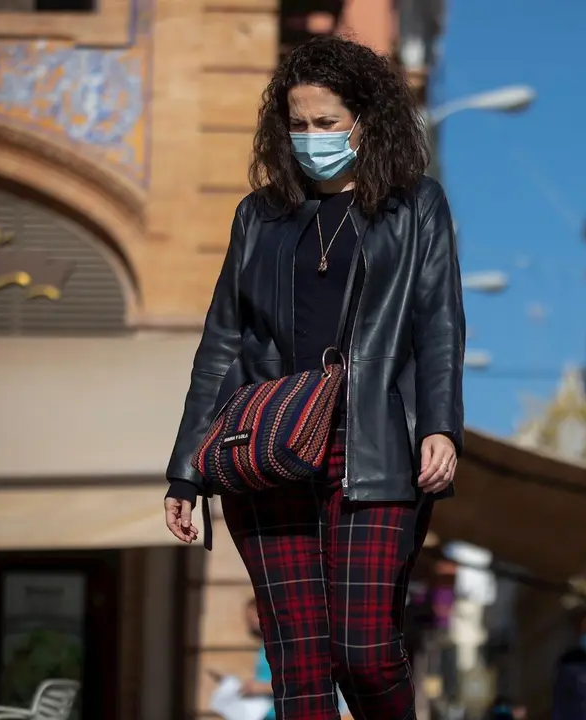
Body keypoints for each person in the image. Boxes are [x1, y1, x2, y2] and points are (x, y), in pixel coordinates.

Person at [163, 34, 465, 720]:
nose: (311, 137)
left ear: (367, 120)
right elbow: (221, 344)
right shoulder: (258, 217)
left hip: (375, 445)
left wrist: (441, 426)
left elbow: (438, 323)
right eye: (297, 124)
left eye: (327, 123)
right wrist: (186, 469)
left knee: (363, 649)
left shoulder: (415, 207)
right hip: (266, 447)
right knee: (297, 664)